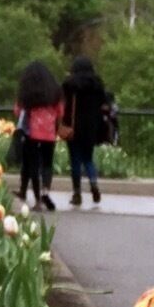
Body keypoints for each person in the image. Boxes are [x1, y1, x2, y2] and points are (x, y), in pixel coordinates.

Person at [61, 55, 112, 207]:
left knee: (75, 160)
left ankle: (77, 193)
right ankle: (93, 183)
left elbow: (64, 103)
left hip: (74, 127)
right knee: (88, 159)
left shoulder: (70, 84)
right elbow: (105, 104)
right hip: (91, 128)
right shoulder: (97, 84)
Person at [14, 59, 63, 213]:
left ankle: (37, 200)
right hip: (49, 134)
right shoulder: (54, 92)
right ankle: (45, 192)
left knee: (33, 166)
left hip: (32, 134)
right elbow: (60, 111)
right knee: (47, 165)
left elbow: (17, 110)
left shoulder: (27, 93)